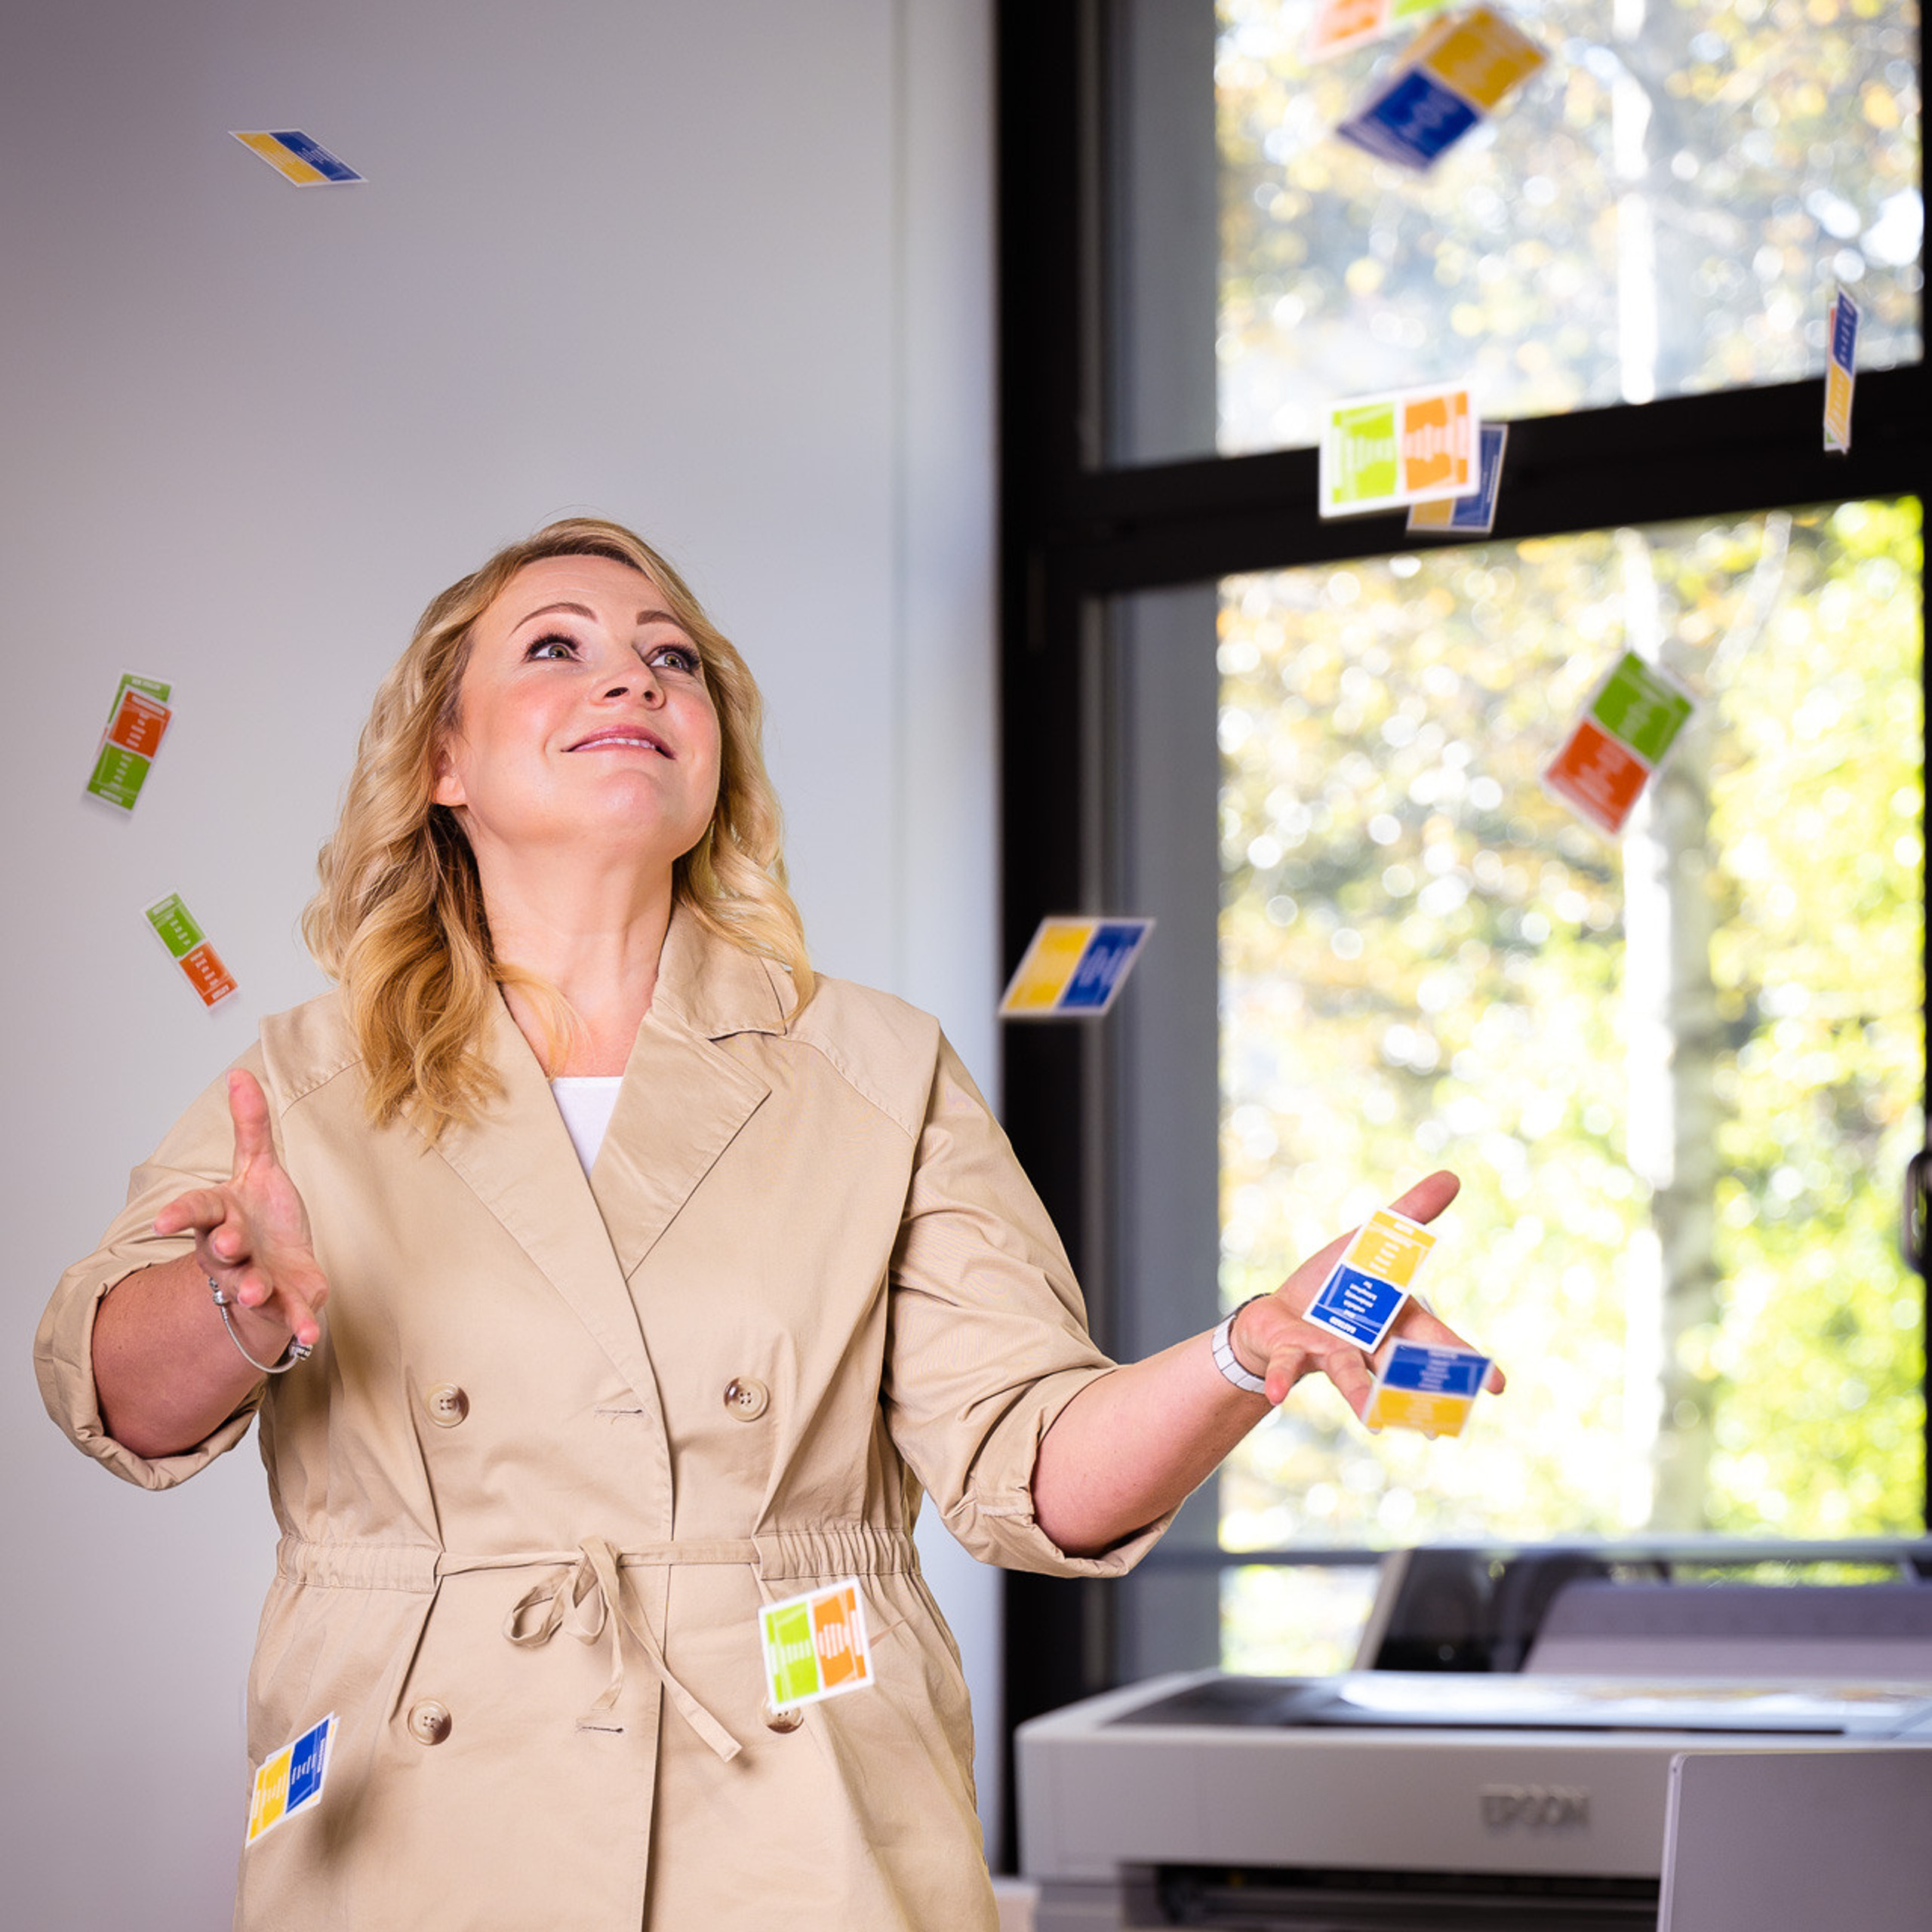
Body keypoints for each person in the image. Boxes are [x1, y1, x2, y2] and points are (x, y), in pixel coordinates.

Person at [36, 518, 1500, 1931]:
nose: (631, 678)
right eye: (558, 646)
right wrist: (233, 1309)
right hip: (421, 1821)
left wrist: (1252, 1348)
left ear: (714, 753)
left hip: (806, 1823)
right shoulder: (305, 1077)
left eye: (671, 660)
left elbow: (1031, 1467)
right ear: (441, 761)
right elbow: (112, 1394)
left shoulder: (872, 1066)